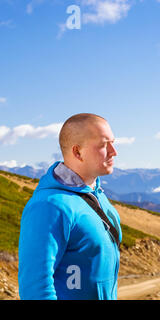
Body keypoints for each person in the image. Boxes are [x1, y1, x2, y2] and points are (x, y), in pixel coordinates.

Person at [18, 113, 122, 300]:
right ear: (77, 152)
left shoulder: (97, 196)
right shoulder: (49, 206)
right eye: (103, 145)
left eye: (113, 143)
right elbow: (35, 288)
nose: (114, 151)